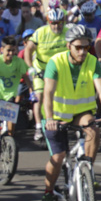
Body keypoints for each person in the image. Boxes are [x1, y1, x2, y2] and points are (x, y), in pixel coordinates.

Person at [40, 26, 101, 201]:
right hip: (56, 115)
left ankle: (87, 171)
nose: (82, 51)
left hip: (81, 112)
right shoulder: (55, 62)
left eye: (86, 47)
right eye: (78, 47)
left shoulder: (92, 62)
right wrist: (49, 118)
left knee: (93, 130)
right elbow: (48, 92)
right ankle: (48, 192)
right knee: (58, 156)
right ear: (68, 46)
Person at [26, 8, 70, 141]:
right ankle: (39, 126)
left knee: (62, 97)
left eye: (59, 23)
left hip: (60, 70)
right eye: (53, 23)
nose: (57, 26)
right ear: (48, 22)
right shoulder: (41, 32)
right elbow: (28, 49)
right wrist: (30, 68)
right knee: (39, 97)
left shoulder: (68, 33)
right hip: (41, 69)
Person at [0, 35, 30, 137]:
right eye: (8, 50)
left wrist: (32, 92)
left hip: (9, 94)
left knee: (11, 122)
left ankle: (9, 143)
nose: (11, 53)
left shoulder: (19, 62)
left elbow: (26, 77)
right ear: (2, 50)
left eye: (13, 50)